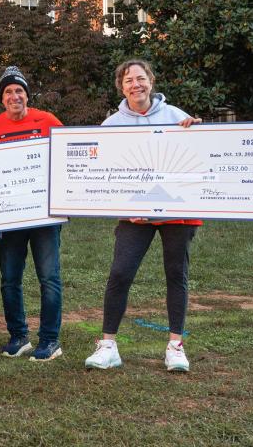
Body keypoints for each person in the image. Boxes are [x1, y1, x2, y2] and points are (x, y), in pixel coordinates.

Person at [84, 59, 202, 373]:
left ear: (151, 80)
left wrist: (199, 133)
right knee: (120, 273)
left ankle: (175, 346)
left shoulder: (176, 115)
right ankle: (108, 345)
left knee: (176, 275)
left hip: (176, 211)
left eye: (140, 78)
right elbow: (101, 174)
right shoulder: (111, 124)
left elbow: (196, 156)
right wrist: (124, 208)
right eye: (128, 81)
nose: (135, 85)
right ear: (121, 88)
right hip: (133, 215)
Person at [0, 66, 65, 362]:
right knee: (9, 279)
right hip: (10, 217)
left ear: (27, 95)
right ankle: (18, 336)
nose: (14, 96)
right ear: (2, 99)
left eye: (19, 90)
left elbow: (66, 159)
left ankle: (50, 340)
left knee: (49, 278)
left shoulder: (48, 121)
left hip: (44, 217)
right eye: (8, 91)